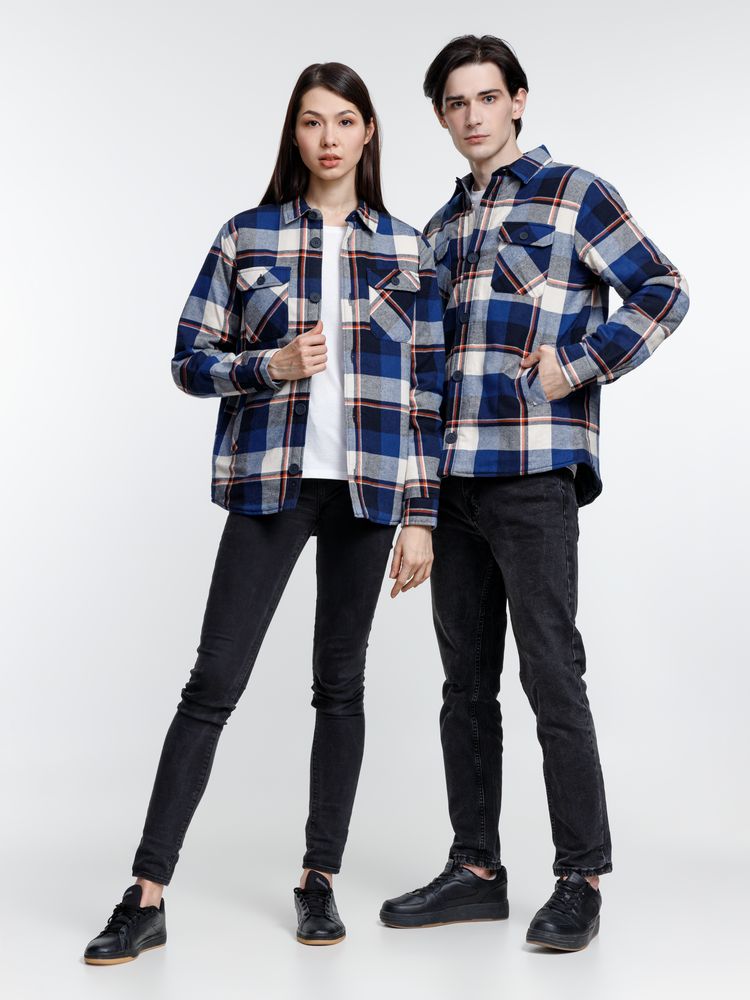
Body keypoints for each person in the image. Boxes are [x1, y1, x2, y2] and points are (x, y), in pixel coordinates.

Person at [83, 61, 444, 964]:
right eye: (313, 121)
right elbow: (187, 359)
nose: (329, 137)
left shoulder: (409, 249)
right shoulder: (247, 235)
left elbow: (426, 396)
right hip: (267, 483)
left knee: (341, 686)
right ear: (295, 134)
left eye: (346, 120)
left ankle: (318, 878)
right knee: (213, 685)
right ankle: (146, 894)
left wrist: (422, 515)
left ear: (368, 132)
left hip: (367, 493)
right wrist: (268, 366)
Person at [379, 34, 689, 951]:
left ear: (517, 99)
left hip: (534, 476)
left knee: (552, 671)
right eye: (455, 103)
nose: (471, 116)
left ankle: (579, 877)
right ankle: (475, 869)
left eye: (487, 97)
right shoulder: (438, 231)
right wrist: (416, 508)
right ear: (441, 116)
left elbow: (664, 288)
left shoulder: (574, 193)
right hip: (454, 487)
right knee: (463, 687)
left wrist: (581, 364)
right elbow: (415, 374)